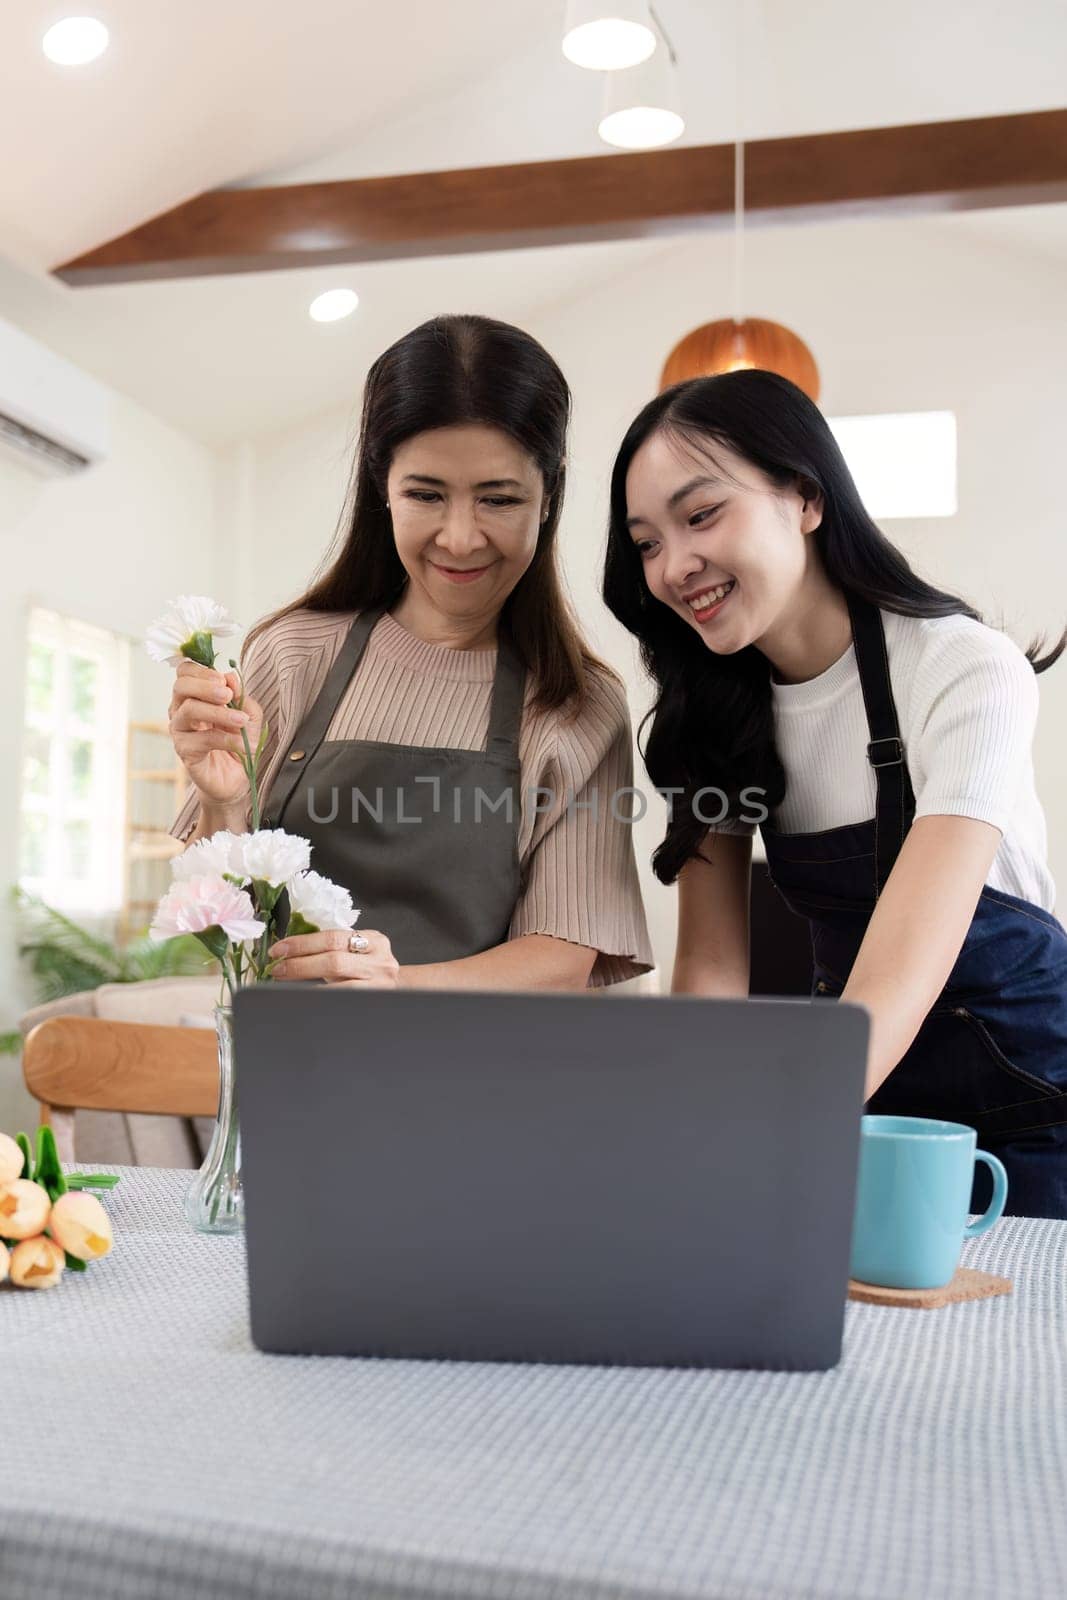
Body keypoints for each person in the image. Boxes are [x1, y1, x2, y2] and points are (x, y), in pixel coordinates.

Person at [603, 368, 1067, 1217]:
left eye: (701, 514)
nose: (673, 566)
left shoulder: (962, 669)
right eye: (645, 543)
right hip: (863, 1106)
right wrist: (689, 1126)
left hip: (1031, 1115)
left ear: (805, 496)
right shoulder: (709, 718)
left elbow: (903, 969)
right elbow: (710, 965)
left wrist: (776, 1131)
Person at [169, 314, 653, 992]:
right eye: (425, 494)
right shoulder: (292, 654)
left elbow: (561, 956)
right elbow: (223, 922)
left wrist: (394, 989)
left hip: (473, 1083)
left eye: (499, 499)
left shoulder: (574, 702)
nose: (459, 538)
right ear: (381, 487)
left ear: (549, 496)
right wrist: (225, 801)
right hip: (285, 1078)